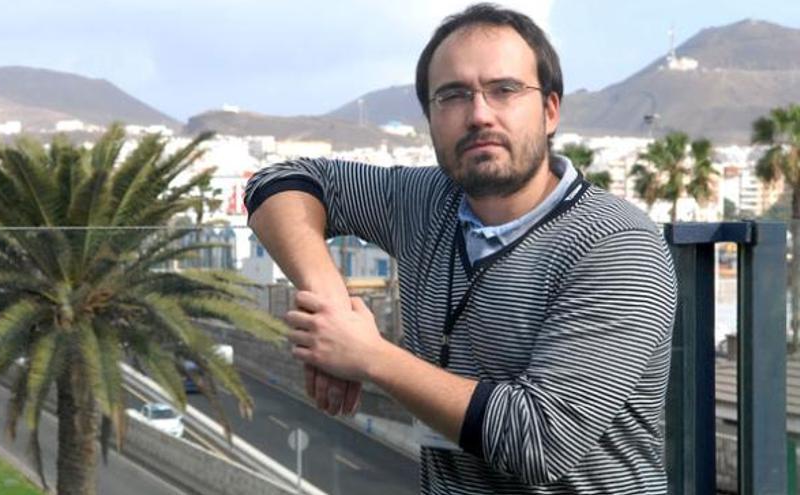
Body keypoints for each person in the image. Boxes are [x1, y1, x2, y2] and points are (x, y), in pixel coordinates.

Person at [244, 3, 677, 494]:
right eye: (452, 96)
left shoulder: (614, 244)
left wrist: (368, 355)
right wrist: (330, 301)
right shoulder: (426, 203)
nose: (478, 115)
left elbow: (542, 441)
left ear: (550, 110)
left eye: (505, 90)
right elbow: (280, 181)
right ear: (430, 118)